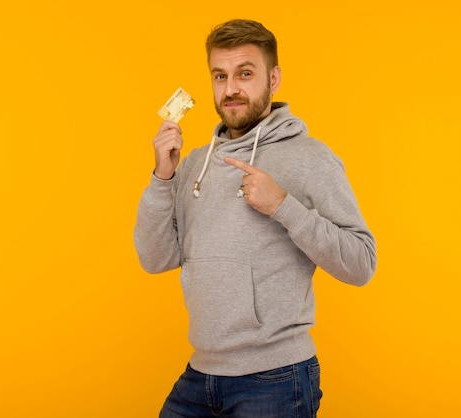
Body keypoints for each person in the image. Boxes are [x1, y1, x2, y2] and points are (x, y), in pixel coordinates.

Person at [134, 19, 377, 418]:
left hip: (275, 378)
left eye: (245, 74)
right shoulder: (195, 162)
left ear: (274, 78)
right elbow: (155, 258)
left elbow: (361, 263)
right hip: (201, 374)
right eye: (220, 75)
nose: (230, 89)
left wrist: (283, 205)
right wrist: (163, 177)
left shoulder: (310, 158)